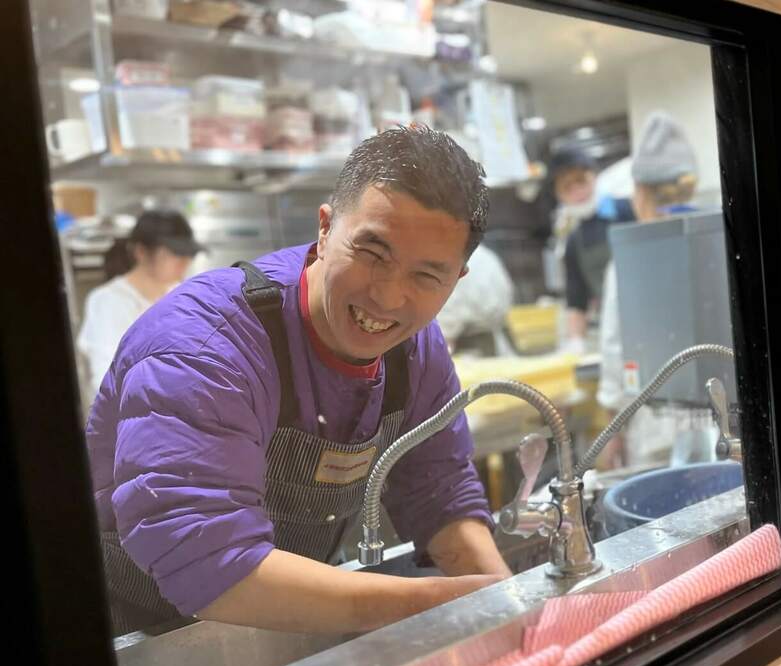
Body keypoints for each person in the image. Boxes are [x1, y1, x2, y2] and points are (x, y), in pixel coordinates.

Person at [87, 126, 510, 636]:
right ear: (326, 229)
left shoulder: (415, 348)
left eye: (427, 276)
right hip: (128, 640)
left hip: (278, 621)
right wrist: (439, 608)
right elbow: (206, 558)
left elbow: (438, 490)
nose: (389, 298)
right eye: (374, 253)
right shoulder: (203, 344)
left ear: (457, 279)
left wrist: (505, 598)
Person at [596, 112, 708, 469]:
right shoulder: (715, 242)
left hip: (655, 424)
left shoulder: (633, 257)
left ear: (641, 192)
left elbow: (615, 346)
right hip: (723, 419)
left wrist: (611, 428)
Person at [76, 210, 200, 397]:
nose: (184, 261)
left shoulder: (184, 295)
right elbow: (109, 380)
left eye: (188, 253)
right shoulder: (108, 301)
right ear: (141, 252)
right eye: (174, 253)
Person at [556, 148, 635, 348]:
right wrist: (576, 342)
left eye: (581, 181)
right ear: (560, 195)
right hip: (611, 330)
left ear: (594, 177)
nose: (577, 192)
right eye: (567, 188)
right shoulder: (573, 241)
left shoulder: (627, 210)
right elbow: (576, 300)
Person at [433, 242, 515, 353]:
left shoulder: (445, 255)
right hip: (492, 333)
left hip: (469, 342)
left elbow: (449, 316)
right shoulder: (482, 253)